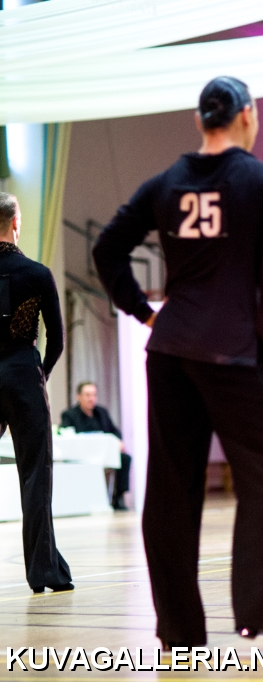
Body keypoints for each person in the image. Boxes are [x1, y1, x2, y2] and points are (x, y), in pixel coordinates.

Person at [92, 77, 263, 652]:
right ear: (248, 116)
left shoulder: (165, 184)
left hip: (170, 351)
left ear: (200, 120)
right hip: (234, 350)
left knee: (170, 493)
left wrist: (143, 312)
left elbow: (106, 248)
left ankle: (179, 632)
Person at [0, 192, 73, 594]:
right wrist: (37, 374)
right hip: (23, 375)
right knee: (35, 475)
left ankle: (48, 563)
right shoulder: (37, 273)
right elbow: (57, 340)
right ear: (16, 222)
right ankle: (43, 571)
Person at [60, 381, 132, 510]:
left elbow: (114, 430)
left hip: (103, 454)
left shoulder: (101, 412)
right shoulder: (70, 414)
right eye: (87, 395)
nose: (91, 398)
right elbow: (65, 433)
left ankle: (118, 498)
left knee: (125, 458)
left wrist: (118, 441)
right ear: (79, 396)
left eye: (94, 395)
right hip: (81, 456)